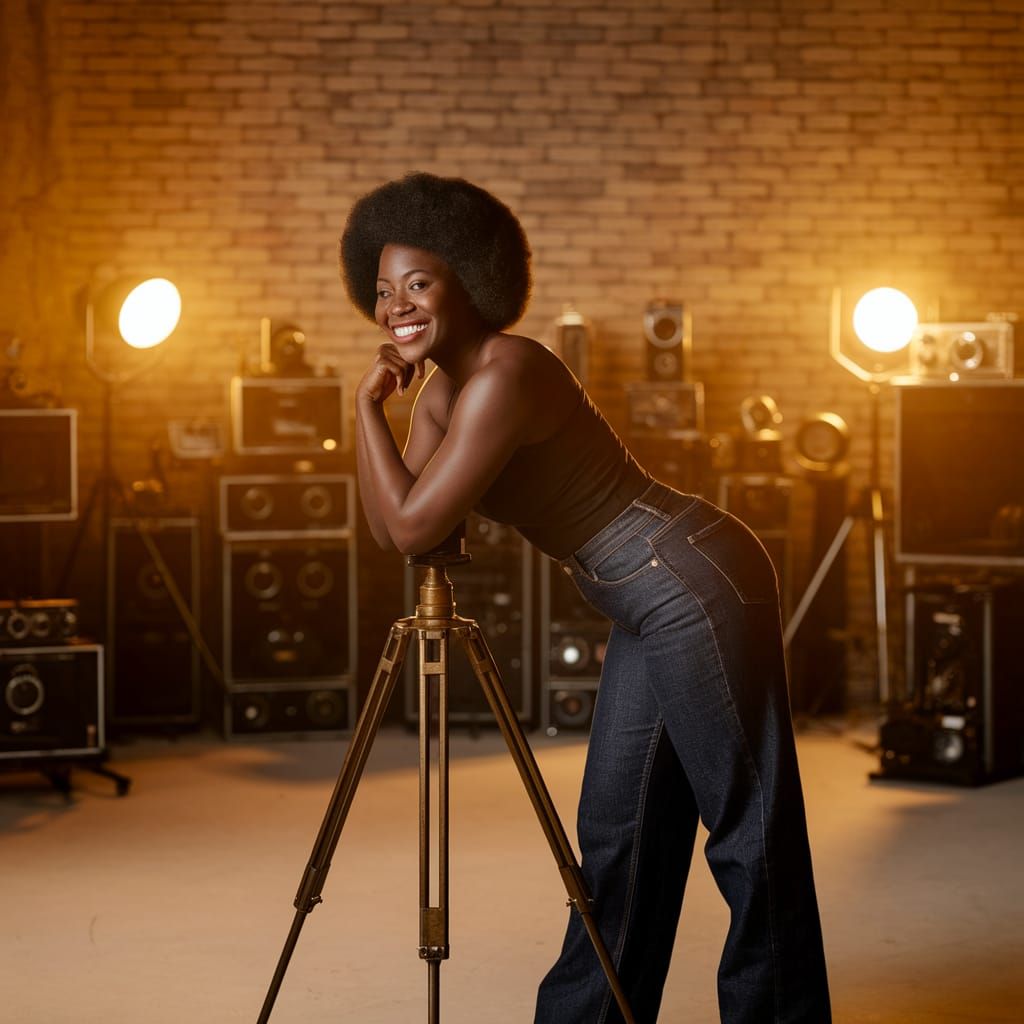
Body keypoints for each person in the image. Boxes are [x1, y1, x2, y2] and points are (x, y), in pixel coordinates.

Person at [340, 171, 831, 1024]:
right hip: (641, 593)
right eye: (383, 291)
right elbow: (393, 528)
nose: (396, 308)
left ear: (469, 279)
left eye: (418, 284)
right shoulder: (443, 392)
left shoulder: (509, 370)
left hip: (687, 571)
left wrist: (367, 411)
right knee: (618, 831)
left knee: (746, 823)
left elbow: (415, 525)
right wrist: (369, 410)